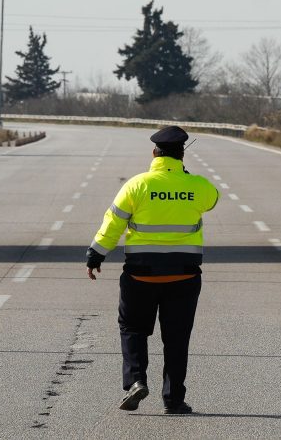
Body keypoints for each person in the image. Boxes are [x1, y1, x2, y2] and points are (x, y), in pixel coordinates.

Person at [86, 125, 220, 414]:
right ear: (182, 154)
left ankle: (135, 381)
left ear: (154, 153)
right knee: (176, 338)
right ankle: (173, 400)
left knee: (132, 329)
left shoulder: (137, 185)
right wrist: (183, 179)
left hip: (140, 275)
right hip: (183, 276)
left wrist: (96, 254)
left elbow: (114, 222)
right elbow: (213, 200)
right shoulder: (197, 186)